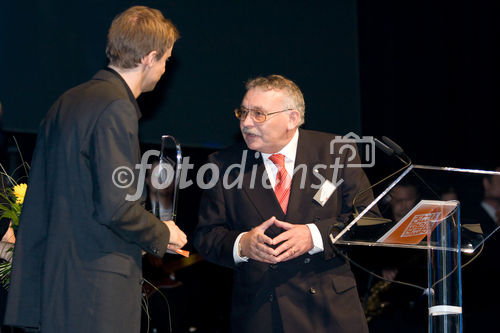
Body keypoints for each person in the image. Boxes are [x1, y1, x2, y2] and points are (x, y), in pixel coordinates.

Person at [4, 6, 187, 333]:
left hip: (56, 286)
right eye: (165, 61)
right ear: (150, 57)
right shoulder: (117, 106)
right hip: (97, 294)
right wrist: (163, 233)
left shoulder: (68, 101)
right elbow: (116, 207)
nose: (163, 71)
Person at [194, 74, 380, 333]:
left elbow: (370, 221)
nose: (246, 123)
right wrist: (242, 244)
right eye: (242, 112)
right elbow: (206, 237)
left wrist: (314, 235)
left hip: (331, 313)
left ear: (292, 118)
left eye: (259, 114)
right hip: (262, 314)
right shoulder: (223, 166)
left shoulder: (337, 152)